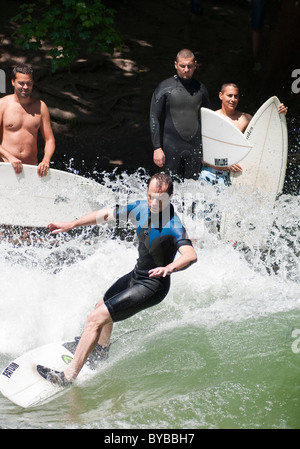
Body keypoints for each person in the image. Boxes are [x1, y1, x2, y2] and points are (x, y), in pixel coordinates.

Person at [37, 173, 198, 386]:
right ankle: (101, 351)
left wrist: (169, 268)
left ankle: (68, 376)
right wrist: (71, 225)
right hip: (137, 275)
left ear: (171, 196)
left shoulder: (173, 224)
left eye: (160, 199)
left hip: (153, 285)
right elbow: (105, 214)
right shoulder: (140, 208)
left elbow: (190, 255)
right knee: (101, 306)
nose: (154, 203)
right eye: (151, 197)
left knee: (96, 318)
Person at [199, 83, 288, 186]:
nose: (233, 99)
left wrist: (280, 114)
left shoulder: (245, 119)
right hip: (210, 173)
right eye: (229, 95)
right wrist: (226, 164)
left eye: (236, 96)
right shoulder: (211, 119)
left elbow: (266, 131)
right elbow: (202, 156)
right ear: (220, 95)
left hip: (235, 176)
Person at [150, 49, 211, 180]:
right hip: (171, 146)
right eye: (182, 66)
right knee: (168, 185)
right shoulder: (164, 87)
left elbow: (208, 119)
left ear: (195, 64)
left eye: (189, 66)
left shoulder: (201, 89)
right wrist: (157, 148)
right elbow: (154, 117)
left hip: (195, 147)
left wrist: (208, 150)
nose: (186, 69)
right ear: (176, 64)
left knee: (192, 189)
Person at [0, 63, 55, 176]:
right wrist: (9, 157)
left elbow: (49, 140)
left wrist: (45, 160)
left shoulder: (41, 107)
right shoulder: (2, 105)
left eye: (28, 83)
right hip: (5, 165)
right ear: (13, 82)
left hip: (31, 168)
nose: (25, 87)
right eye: (21, 83)